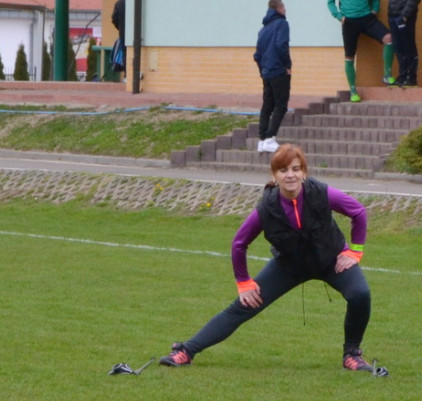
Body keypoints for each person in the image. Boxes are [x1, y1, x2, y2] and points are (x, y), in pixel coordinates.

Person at [159, 144, 378, 373]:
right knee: (243, 306)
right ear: (275, 175)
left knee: (360, 294)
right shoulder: (266, 207)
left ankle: (352, 354)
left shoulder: (321, 192)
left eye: (295, 168)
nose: (290, 175)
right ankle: (185, 351)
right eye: (283, 170)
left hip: (331, 261)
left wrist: (355, 251)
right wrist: (244, 283)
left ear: (304, 172)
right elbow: (239, 244)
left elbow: (358, 212)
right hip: (289, 267)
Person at [327, 0, 395, 102]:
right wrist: (339, 16)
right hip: (349, 21)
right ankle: (353, 91)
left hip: (367, 18)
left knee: (389, 38)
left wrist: (375, 10)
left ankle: (387, 74)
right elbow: (330, 2)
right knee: (349, 57)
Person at [254, 0, 291, 153]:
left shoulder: (263, 30)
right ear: (279, 9)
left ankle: (262, 140)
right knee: (281, 105)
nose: (285, 10)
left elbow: (257, 55)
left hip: (267, 72)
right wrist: (287, 65)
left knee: (267, 105)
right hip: (278, 71)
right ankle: (271, 138)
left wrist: (262, 71)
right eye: (284, 7)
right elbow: (281, 45)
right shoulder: (282, 24)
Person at [388, 0, 420, 87]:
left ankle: (412, 77)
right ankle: (402, 75)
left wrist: (405, 15)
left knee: (408, 45)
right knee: (398, 46)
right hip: (392, 14)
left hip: (405, 15)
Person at [111, 0, 126, 80]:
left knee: (125, 54)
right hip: (138, 35)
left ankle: (127, 75)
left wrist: (121, 28)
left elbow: (114, 19)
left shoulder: (119, 4)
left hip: (123, 35)